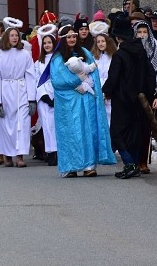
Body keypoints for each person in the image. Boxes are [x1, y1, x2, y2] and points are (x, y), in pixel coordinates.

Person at [49, 25, 116, 177]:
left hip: (86, 99)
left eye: (74, 36)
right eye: (69, 37)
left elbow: (93, 70)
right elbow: (57, 79)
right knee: (71, 132)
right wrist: (77, 82)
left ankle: (89, 166)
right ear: (63, 39)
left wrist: (89, 83)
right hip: (68, 102)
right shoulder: (58, 57)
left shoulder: (85, 53)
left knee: (88, 130)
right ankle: (71, 166)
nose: (72, 39)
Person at [103, 17, 155, 179]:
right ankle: (134, 163)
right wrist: (147, 94)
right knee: (134, 133)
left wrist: (106, 90)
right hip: (140, 100)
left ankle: (130, 163)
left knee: (117, 133)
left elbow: (113, 78)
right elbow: (151, 75)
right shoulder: (142, 52)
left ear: (118, 38)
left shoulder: (119, 55)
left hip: (122, 100)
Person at [0, 27, 37, 167]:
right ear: (6, 38)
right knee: (5, 124)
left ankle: (19, 156)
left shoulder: (25, 54)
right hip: (5, 90)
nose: (14, 38)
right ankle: (7, 155)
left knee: (22, 123)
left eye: (16, 36)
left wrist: (32, 98)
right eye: (11, 35)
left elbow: (31, 75)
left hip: (21, 90)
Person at [132, 20, 157, 174]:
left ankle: (143, 162)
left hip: (150, 96)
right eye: (139, 32)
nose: (142, 35)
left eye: (145, 32)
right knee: (133, 129)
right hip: (133, 96)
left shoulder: (156, 50)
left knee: (147, 130)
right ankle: (132, 160)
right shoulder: (130, 50)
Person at [35, 25, 59, 166]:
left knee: (57, 125)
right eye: (45, 43)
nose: (47, 45)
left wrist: (56, 96)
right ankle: (50, 152)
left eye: (49, 42)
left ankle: (59, 152)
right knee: (47, 126)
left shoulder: (58, 61)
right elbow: (36, 81)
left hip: (58, 97)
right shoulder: (38, 63)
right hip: (44, 99)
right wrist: (44, 96)